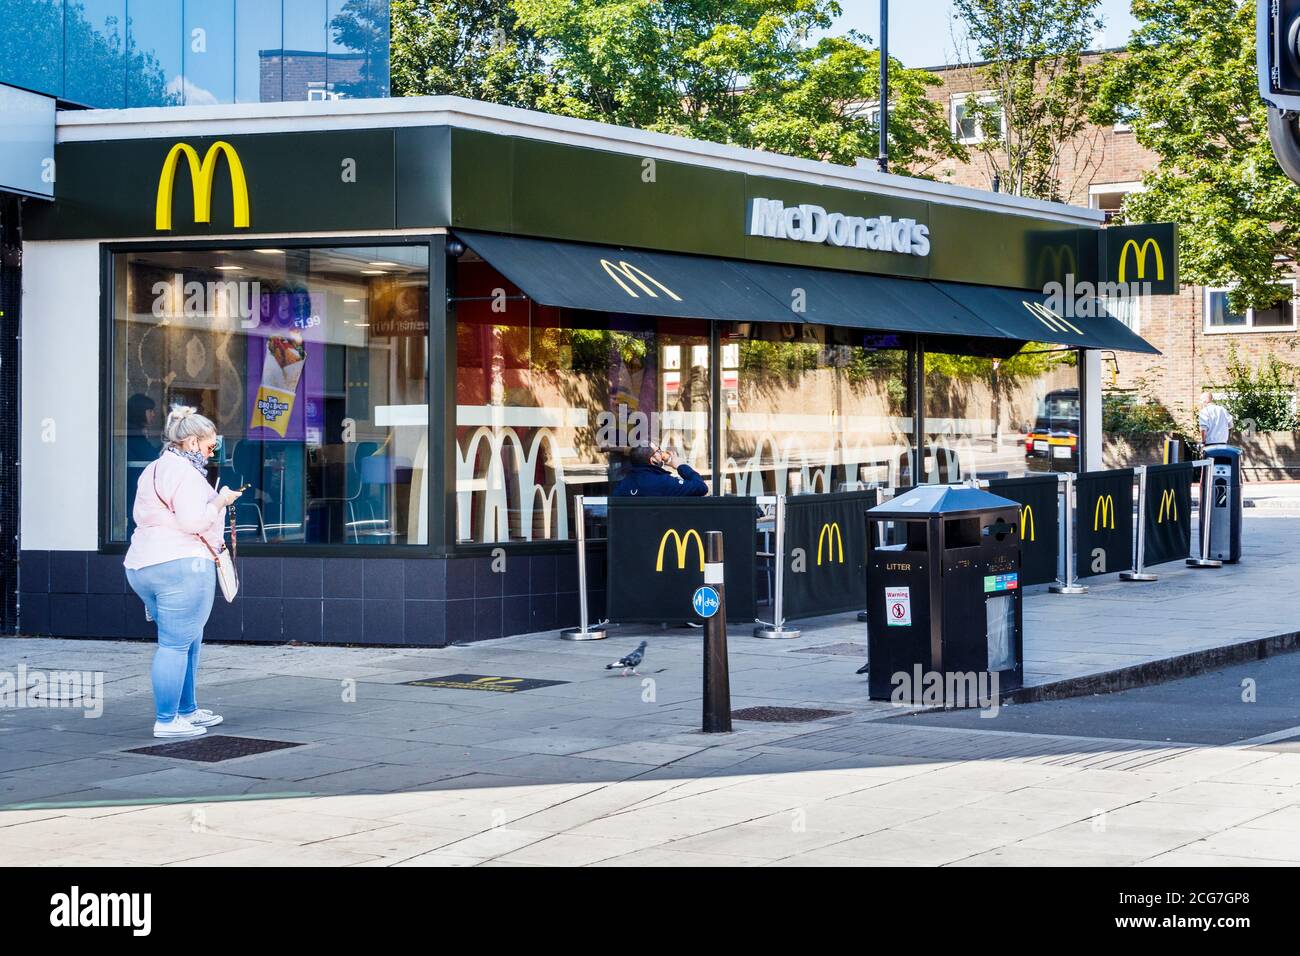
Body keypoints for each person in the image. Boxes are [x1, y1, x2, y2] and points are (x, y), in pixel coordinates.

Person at [124, 406, 243, 739]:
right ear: (191, 442)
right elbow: (192, 522)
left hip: (142, 564)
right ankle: (167, 720)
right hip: (181, 565)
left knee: (186, 639)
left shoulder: (154, 468)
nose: (212, 452)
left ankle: (187, 711)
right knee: (175, 645)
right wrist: (220, 501)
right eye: (208, 446)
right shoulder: (186, 474)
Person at [613, 444, 708, 497]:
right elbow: (701, 487)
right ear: (652, 460)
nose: (662, 454)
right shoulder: (664, 482)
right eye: (658, 451)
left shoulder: (622, 486)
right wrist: (680, 465)